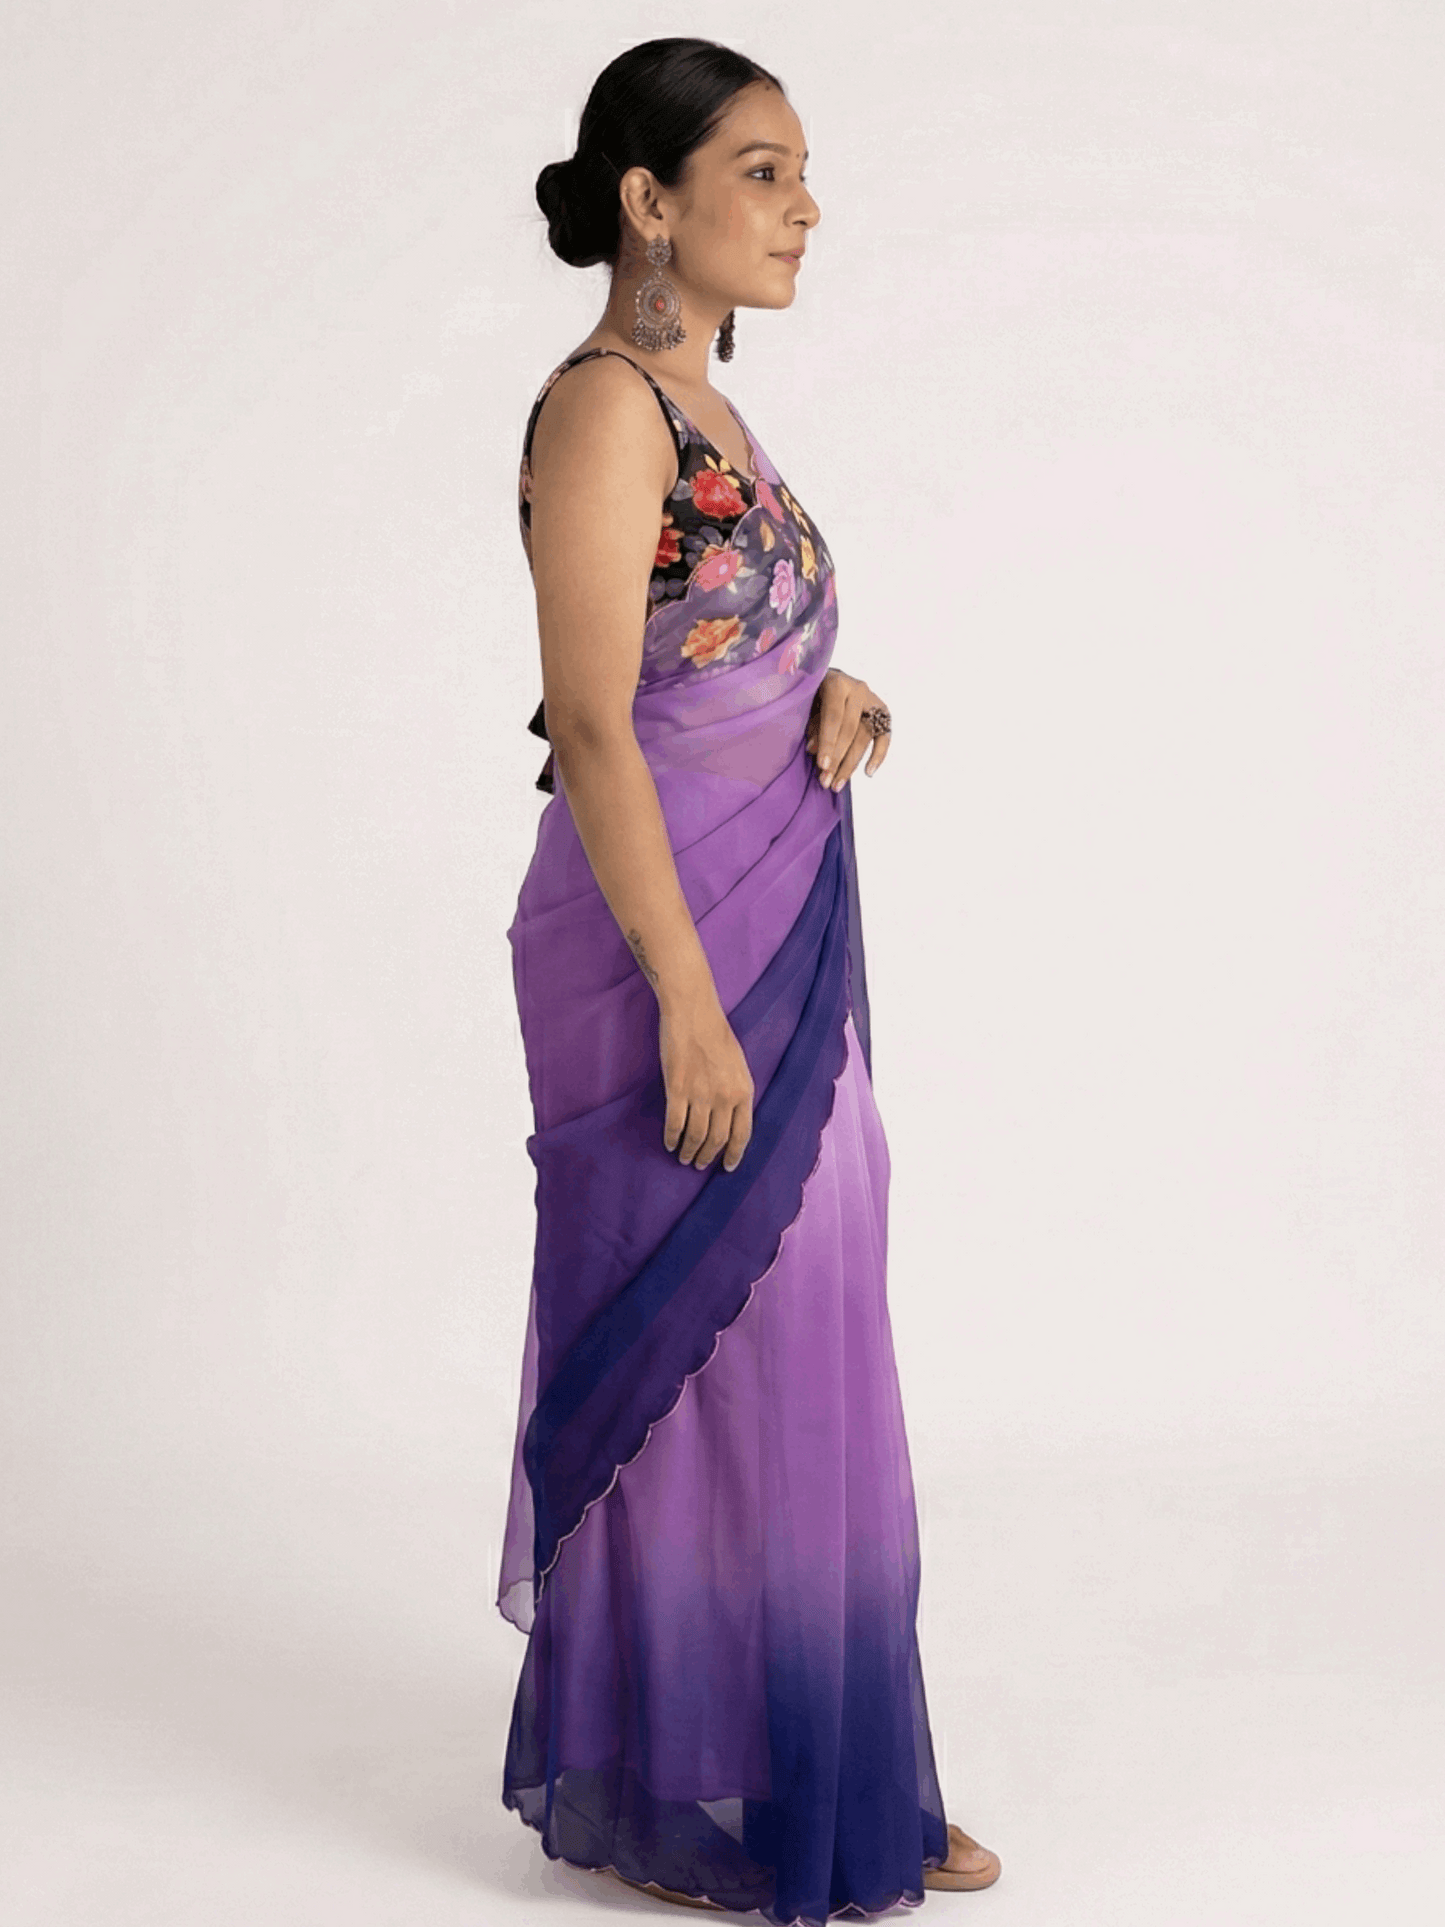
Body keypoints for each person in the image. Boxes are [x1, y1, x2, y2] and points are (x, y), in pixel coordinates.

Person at [497, 36, 1002, 1922]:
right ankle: (710, 1781)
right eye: (766, 172)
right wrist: (691, 1005)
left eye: (803, 175)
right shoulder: (608, 406)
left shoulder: (719, 413)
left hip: (774, 925)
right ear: (653, 199)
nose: (805, 209)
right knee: (714, 1352)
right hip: (662, 958)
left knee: (819, 1337)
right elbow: (599, 728)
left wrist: (832, 695)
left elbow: (724, 650)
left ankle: (837, 1755)